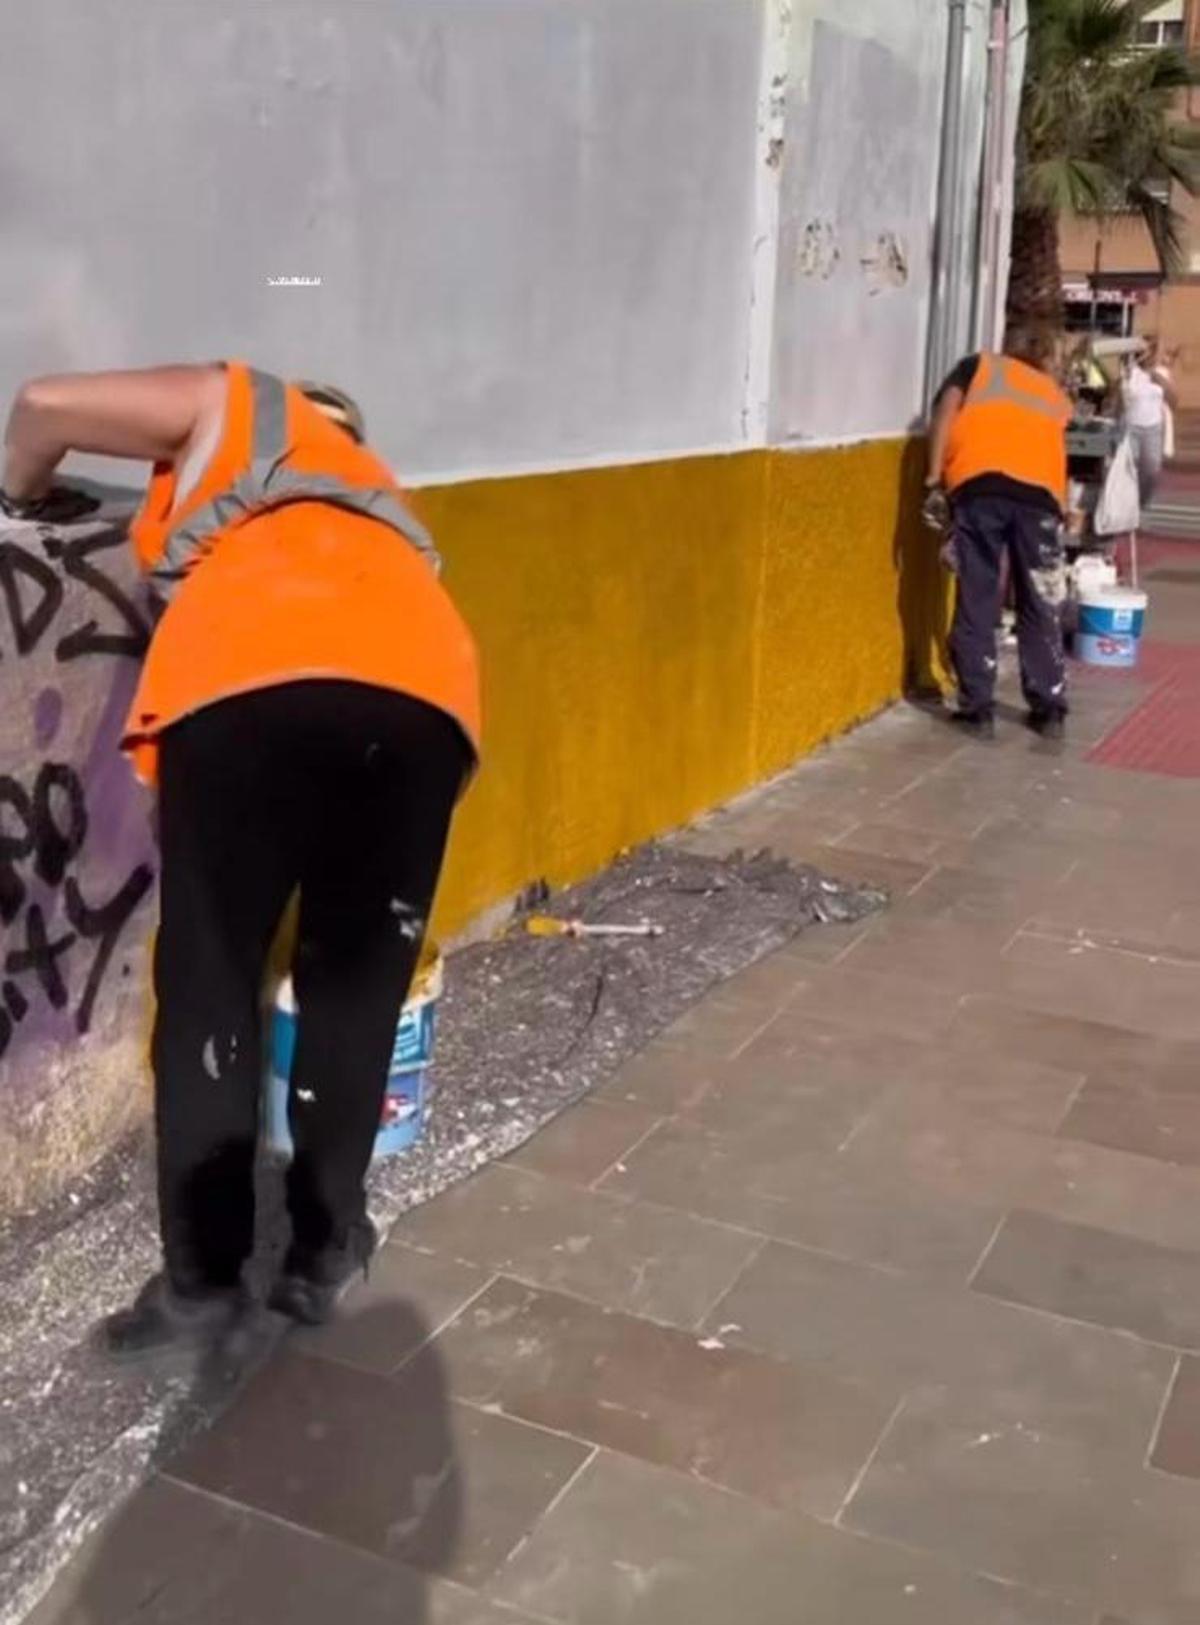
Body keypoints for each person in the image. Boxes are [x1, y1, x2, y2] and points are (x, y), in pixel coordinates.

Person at [1, 362, 481, 1354]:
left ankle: (202, 1286)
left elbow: (44, 407)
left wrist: (18, 496)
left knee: (214, 984)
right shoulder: (384, 501)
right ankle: (323, 1251)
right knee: (353, 990)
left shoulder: (247, 402)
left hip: (250, 666)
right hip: (422, 692)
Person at [923, 324, 1071, 740]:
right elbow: (1057, 452)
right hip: (1041, 501)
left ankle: (978, 709)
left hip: (981, 488)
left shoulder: (979, 368)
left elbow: (946, 411)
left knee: (979, 594)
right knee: (1040, 600)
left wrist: (934, 479)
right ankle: (1050, 708)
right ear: (1041, 358)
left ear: (1008, 349)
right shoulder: (1052, 393)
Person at [1121, 338, 1177, 508]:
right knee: (1130, 469)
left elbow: (1174, 400)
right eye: (1144, 351)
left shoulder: (1161, 373)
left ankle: (1142, 502)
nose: (1149, 356)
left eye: (1152, 351)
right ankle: (1129, 506)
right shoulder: (1131, 373)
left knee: (1152, 470)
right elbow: (1121, 399)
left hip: (1153, 428)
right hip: (1132, 426)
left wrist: (1160, 381)